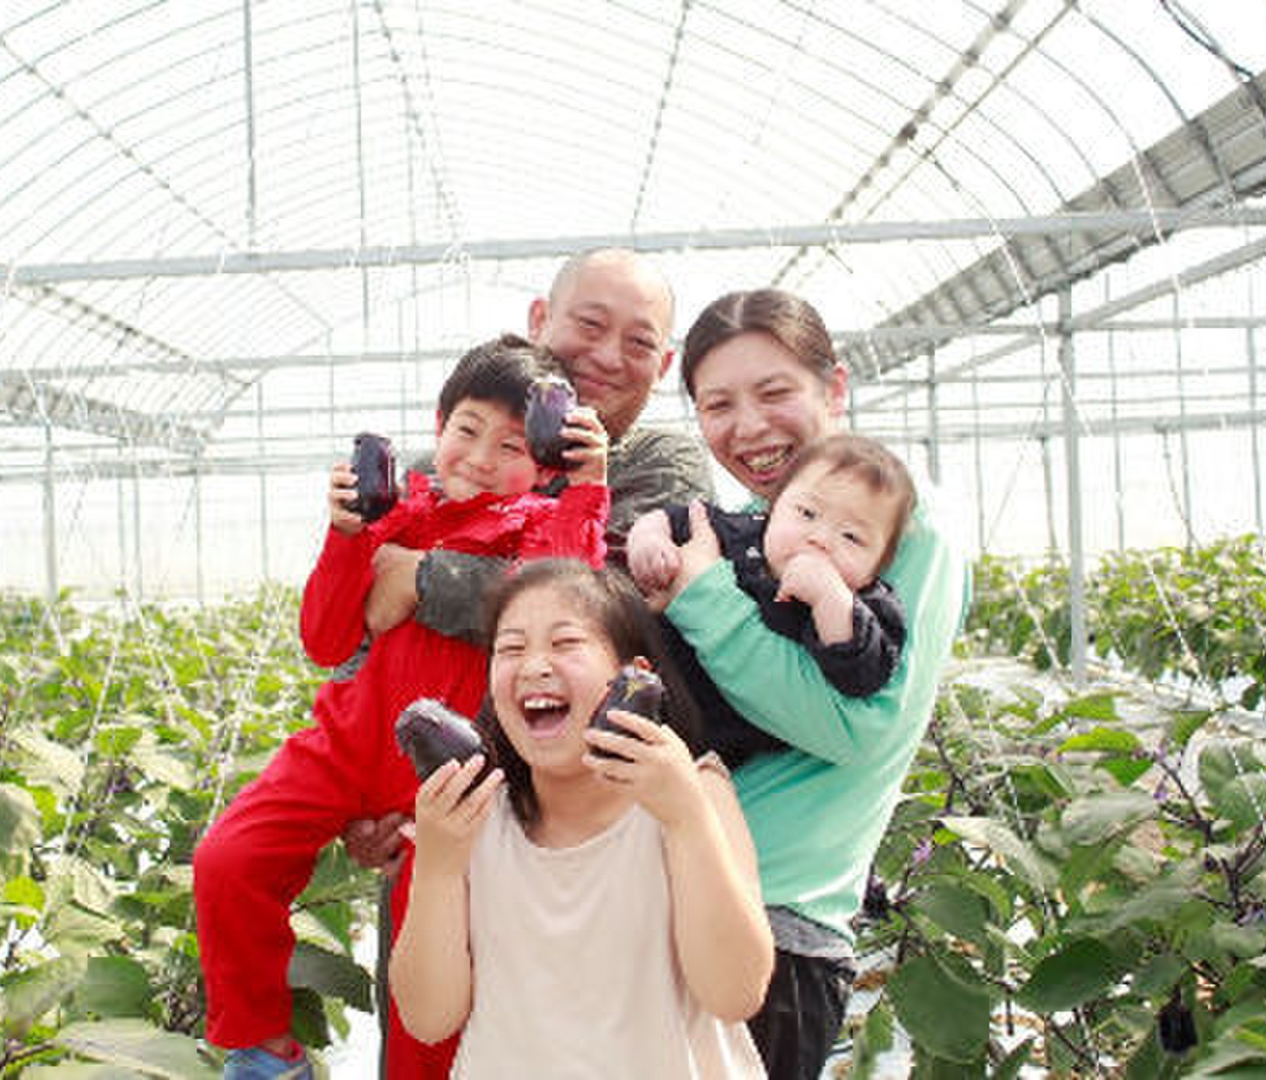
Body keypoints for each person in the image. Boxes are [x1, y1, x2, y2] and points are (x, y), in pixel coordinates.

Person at [193, 336, 611, 1080]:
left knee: (429, 964)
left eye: (512, 446)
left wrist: (586, 489)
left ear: (546, 461)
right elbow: (324, 639)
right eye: (467, 430)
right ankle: (263, 1047)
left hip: (452, 781)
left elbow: (565, 598)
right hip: (347, 743)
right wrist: (346, 535)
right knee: (228, 857)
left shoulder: (537, 528)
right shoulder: (394, 516)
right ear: (439, 424)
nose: (480, 458)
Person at [646, 288, 970, 1080]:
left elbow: (862, 729)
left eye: (774, 392)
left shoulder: (909, 527)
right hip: (686, 893)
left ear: (835, 388)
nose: (749, 426)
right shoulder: (754, 529)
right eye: (718, 404)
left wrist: (702, 598)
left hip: (778, 919)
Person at [346, 247, 713, 872]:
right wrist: (359, 790)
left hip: (593, 831)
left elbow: (610, 600)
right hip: (437, 812)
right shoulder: (441, 471)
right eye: (590, 325)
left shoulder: (660, 464)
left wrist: (423, 576)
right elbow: (363, 630)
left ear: (663, 366)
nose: (607, 356)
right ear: (540, 320)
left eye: (638, 342)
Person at [388, 558, 772, 1078]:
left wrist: (686, 820)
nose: (533, 666)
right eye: (511, 649)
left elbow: (734, 992)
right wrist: (438, 866)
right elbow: (428, 1018)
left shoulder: (693, 794)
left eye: (565, 643)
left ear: (635, 675)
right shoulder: (477, 816)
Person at [628, 432, 916, 770]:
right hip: (644, 678)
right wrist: (649, 540)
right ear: (773, 508)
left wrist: (829, 598)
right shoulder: (738, 531)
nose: (820, 539)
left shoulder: (863, 604)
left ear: (877, 569)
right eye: (807, 513)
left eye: (851, 537)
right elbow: (669, 517)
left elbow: (862, 675)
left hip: (712, 743)